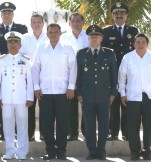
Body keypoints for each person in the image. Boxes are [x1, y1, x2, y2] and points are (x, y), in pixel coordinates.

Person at [32, 23, 77, 160]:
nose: (53, 34)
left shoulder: (68, 48)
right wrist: (36, 87)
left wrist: (71, 87)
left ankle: (62, 151)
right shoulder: (41, 48)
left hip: (63, 92)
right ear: (47, 34)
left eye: (56, 32)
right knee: (46, 124)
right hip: (45, 92)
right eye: (50, 32)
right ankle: (50, 151)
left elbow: (73, 68)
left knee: (63, 123)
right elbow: (35, 68)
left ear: (60, 33)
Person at [118, 34, 151, 160]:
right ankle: (135, 152)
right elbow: (121, 77)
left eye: (143, 42)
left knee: (148, 126)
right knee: (132, 127)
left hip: (150, 97)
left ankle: (146, 150)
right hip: (132, 97)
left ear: (147, 44)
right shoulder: (127, 58)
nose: (140, 44)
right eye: (138, 42)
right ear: (134, 44)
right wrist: (122, 93)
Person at [0, 1, 28, 141]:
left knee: (19, 104)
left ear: (13, 14)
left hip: (19, 68)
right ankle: (3, 131)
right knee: (3, 102)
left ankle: (19, 132)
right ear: (1, 15)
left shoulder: (22, 28)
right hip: (2, 69)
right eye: (4, 12)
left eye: (9, 12)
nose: (7, 14)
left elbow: (24, 47)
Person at [76, 25, 118, 160]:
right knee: (89, 126)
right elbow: (78, 75)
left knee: (104, 125)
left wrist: (113, 93)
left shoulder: (109, 53)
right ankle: (92, 151)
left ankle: (101, 151)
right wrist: (79, 93)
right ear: (88, 38)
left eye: (97, 36)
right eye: (91, 37)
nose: (94, 39)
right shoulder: (81, 54)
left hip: (104, 96)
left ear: (101, 38)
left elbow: (114, 75)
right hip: (87, 96)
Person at [102, 2, 139, 141]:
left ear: (126, 15)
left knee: (127, 104)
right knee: (113, 104)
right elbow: (104, 53)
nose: (119, 15)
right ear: (112, 16)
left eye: (122, 13)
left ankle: (126, 132)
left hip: (129, 74)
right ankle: (113, 132)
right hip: (112, 73)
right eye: (116, 13)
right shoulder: (106, 31)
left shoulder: (133, 31)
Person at [0, 31, 33, 160]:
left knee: (22, 126)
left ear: (20, 45)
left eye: (15, 42)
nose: (13, 44)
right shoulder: (1, 60)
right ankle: (10, 151)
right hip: (5, 99)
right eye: (10, 42)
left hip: (22, 98)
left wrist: (30, 97)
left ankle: (22, 152)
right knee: (7, 126)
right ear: (7, 45)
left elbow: (30, 80)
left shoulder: (26, 60)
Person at [19, 13, 48, 142]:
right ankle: (29, 133)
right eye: (34, 22)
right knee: (29, 107)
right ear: (30, 24)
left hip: (45, 77)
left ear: (43, 23)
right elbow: (20, 55)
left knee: (45, 107)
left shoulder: (49, 37)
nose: (36, 24)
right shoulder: (24, 38)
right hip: (27, 77)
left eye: (39, 22)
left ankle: (43, 133)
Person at [61, 12, 89, 141]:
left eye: (79, 21)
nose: (76, 23)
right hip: (68, 75)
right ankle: (72, 132)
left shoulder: (89, 36)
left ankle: (86, 131)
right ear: (69, 23)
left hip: (86, 75)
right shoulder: (63, 38)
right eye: (74, 21)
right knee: (70, 106)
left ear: (83, 22)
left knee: (86, 104)